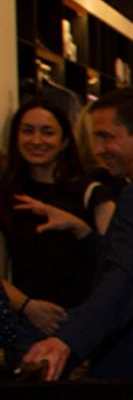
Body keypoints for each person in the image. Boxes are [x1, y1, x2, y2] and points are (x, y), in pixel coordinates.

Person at [22, 89, 133, 381]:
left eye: (107, 137)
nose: (98, 149)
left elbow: (126, 278)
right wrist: (82, 230)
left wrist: (66, 341)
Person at [1, 98, 115, 345]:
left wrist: (78, 226)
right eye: (27, 131)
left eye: (48, 132)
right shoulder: (5, 196)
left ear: (64, 141)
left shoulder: (92, 193)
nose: (37, 141)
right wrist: (27, 306)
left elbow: (117, 262)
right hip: (23, 322)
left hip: (83, 324)